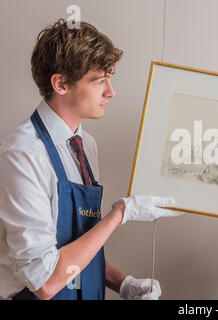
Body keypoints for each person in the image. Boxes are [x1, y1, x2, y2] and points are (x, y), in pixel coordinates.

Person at [0, 19, 182, 300]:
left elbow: (74, 245)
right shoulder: (22, 155)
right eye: (99, 81)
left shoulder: (86, 146)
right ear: (60, 83)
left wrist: (123, 283)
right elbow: (45, 281)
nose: (111, 91)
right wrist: (120, 214)